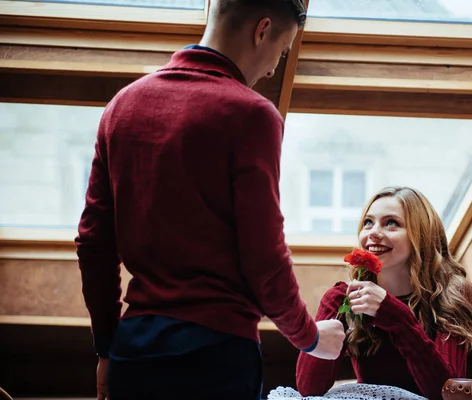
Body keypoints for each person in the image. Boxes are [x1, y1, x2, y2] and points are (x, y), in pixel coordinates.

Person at [74, 1, 345, 399]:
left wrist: (106, 347)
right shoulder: (252, 114)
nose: (273, 69)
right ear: (263, 29)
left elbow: (94, 243)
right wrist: (309, 338)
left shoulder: (122, 106)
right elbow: (264, 258)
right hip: (215, 357)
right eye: (282, 52)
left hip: (134, 352)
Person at [296, 186, 472, 400]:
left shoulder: (453, 294)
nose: (373, 233)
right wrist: (333, 311)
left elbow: (445, 391)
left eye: (391, 223)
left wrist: (395, 316)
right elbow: (309, 389)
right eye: (368, 222)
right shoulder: (345, 299)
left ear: (421, 236)